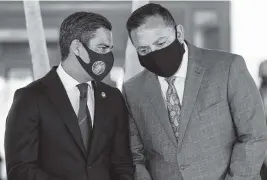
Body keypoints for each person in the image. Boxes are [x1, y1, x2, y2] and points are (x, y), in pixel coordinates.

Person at [123, 3, 267, 180]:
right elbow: (136, 155)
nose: (154, 53)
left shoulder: (227, 68)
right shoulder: (133, 90)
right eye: (144, 50)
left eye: (161, 43)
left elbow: (253, 136)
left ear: (179, 33)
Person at [5, 12, 134, 180]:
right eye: (102, 48)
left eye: (110, 49)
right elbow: (20, 169)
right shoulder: (30, 97)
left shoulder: (113, 98)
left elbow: (122, 163)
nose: (109, 56)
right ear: (77, 47)